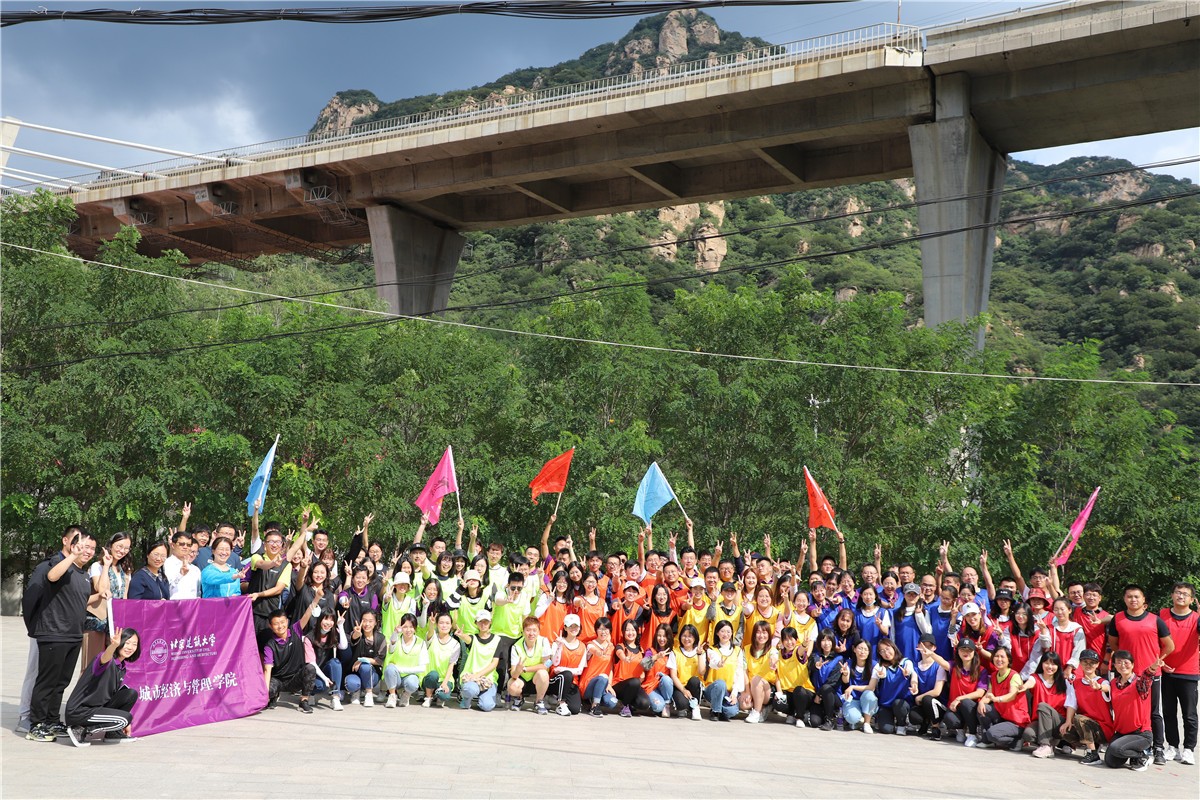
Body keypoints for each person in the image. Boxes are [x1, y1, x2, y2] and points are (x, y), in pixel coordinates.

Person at [25, 532, 97, 743]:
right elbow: (52, 576)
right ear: (73, 546)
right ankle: (36, 724)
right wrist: (72, 556)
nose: (88, 551)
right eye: (84, 546)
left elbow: (80, 600)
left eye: (92, 548)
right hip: (54, 633)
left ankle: (52, 720)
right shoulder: (61, 565)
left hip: (74, 635)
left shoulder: (83, 574)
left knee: (61, 682)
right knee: (47, 681)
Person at [1107, 583, 1175, 764]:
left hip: (1150, 674)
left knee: (1153, 712)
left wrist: (1157, 661)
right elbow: (1114, 644)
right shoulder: (1118, 619)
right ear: (1124, 599)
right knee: (1125, 711)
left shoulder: (1155, 620)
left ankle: (1158, 748)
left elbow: (1169, 645)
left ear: (1143, 599)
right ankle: (1132, 745)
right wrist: (1123, 663)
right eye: (1129, 596)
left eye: (1137, 596)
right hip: (1126, 674)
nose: (1133, 599)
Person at [64, 627, 140, 746]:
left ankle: (112, 733)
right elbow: (105, 657)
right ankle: (80, 729)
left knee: (130, 694)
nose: (130, 647)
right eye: (127, 642)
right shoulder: (106, 660)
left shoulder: (121, 666)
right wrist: (113, 646)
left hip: (97, 707)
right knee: (125, 719)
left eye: (134, 644)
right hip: (80, 711)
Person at [81, 532, 133, 676]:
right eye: (119, 546)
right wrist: (107, 566)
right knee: (91, 664)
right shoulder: (97, 566)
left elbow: (125, 597)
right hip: (96, 622)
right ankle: (85, 691)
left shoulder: (126, 570)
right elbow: (101, 589)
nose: (122, 551)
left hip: (115, 624)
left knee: (111, 664)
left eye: (126, 548)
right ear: (111, 545)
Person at [1160, 582, 1198, 765]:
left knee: (1189, 714)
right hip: (1166, 671)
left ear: (1192, 599)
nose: (1180, 596)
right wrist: (1159, 661)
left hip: (1188, 673)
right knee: (1168, 712)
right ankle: (1172, 746)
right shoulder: (1162, 615)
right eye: (1177, 592)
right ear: (1172, 595)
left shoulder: (1196, 618)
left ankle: (1189, 749)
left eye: (1185, 594)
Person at [1106, 649, 1157, 770]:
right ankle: (1133, 754)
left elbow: (1147, 677)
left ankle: (1143, 755)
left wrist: (1153, 668)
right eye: (1119, 662)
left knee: (1116, 748)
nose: (1123, 665)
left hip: (1140, 733)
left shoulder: (1139, 683)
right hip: (1122, 732)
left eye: (1126, 662)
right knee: (1111, 762)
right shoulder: (1113, 683)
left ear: (1133, 664)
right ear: (1114, 665)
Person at [1022, 651, 1076, 758]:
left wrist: (1068, 721)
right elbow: (1030, 682)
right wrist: (1024, 686)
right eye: (1046, 663)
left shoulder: (1064, 682)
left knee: (1042, 706)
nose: (1050, 667)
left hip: (1058, 722)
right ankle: (1052, 743)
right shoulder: (1035, 678)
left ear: (1058, 666)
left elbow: (1071, 703)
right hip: (1041, 721)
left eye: (1053, 664)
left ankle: (1045, 745)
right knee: (1028, 734)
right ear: (1041, 664)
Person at [262, 609, 317, 714]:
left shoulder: (295, 631)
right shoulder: (269, 646)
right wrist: (265, 694)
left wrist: (316, 601)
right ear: (270, 626)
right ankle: (273, 696)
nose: (280, 626)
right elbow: (267, 670)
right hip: (278, 680)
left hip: (295, 679)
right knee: (267, 690)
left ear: (287, 621)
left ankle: (304, 701)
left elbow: (307, 614)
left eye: (282, 622)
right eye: (276, 624)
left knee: (310, 668)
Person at [977, 645, 1030, 750]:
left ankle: (1017, 741)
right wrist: (981, 702)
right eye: (996, 656)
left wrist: (996, 699)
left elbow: (1012, 696)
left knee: (992, 734)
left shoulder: (1014, 676)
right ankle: (988, 741)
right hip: (1003, 716)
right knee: (983, 709)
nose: (999, 659)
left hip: (1017, 721)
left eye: (1002, 657)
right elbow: (989, 694)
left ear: (1008, 659)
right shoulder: (994, 675)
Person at [1066, 649, 1113, 765]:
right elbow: (1072, 704)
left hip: (1102, 728)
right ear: (1080, 663)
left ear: (1097, 664)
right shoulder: (1076, 683)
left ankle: (1093, 753)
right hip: (1085, 725)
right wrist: (1067, 721)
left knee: (1079, 719)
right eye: (1085, 662)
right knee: (1064, 731)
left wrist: (1099, 687)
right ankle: (1091, 744)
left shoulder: (1103, 682)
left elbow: (1107, 689)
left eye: (1092, 662)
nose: (1088, 665)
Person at [943, 638, 988, 747]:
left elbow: (980, 693)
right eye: (963, 649)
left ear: (974, 652)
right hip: (956, 708)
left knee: (966, 702)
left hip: (972, 708)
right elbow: (942, 662)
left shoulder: (981, 670)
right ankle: (960, 730)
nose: (966, 652)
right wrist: (931, 654)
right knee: (949, 719)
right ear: (957, 651)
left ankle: (973, 734)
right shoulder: (954, 666)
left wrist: (959, 698)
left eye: (969, 650)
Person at [458, 610, 504, 712]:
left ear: (490, 622)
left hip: (488, 679)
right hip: (471, 677)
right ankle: (466, 699)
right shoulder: (473, 638)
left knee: (487, 706)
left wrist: (478, 675)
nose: (483, 624)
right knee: (470, 689)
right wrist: (461, 635)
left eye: (486, 621)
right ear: (476, 623)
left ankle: (482, 697)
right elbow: (467, 639)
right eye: (480, 622)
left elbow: (494, 663)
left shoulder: (497, 640)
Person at [772, 625, 815, 728]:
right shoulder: (778, 654)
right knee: (777, 702)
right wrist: (779, 692)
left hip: (804, 692)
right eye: (786, 639)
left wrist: (804, 644)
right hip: (788, 692)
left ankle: (799, 717)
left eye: (791, 639)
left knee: (798, 691)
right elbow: (777, 675)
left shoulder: (797, 652)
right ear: (782, 641)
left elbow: (801, 650)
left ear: (796, 639)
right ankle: (791, 713)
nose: (789, 642)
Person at [872, 637, 916, 735]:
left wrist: (908, 673)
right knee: (887, 730)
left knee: (898, 704)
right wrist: (880, 675)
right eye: (882, 651)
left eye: (887, 649)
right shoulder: (880, 666)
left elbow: (912, 673)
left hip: (901, 703)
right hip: (886, 704)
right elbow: (880, 675)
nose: (886, 653)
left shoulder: (906, 662)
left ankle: (902, 724)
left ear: (893, 647)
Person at [508, 615, 552, 714]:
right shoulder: (516, 647)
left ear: (539, 631)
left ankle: (539, 701)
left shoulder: (544, 641)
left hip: (537, 680)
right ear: (523, 631)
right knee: (511, 686)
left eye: (534, 630)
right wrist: (518, 670)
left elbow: (546, 665)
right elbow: (513, 674)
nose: (531, 633)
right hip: (522, 680)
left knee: (543, 673)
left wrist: (525, 669)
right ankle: (519, 698)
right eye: (528, 630)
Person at [382, 613, 427, 708]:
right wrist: (395, 632)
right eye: (405, 627)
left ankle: (406, 695)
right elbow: (391, 647)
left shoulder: (421, 643)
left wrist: (401, 669)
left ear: (415, 628)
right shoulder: (396, 639)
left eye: (411, 627)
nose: (408, 630)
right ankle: (392, 696)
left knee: (412, 683)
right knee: (389, 669)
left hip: (410, 676)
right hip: (396, 677)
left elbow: (422, 668)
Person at [910, 633, 948, 738]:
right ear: (918, 646)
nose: (925, 648)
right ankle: (925, 722)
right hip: (922, 703)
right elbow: (914, 679)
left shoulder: (939, 666)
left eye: (929, 646)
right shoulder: (915, 666)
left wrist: (919, 697)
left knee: (927, 699)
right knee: (914, 716)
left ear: (934, 648)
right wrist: (914, 686)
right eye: (923, 645)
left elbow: (937, 691)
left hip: (937, 703)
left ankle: (936, 727)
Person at [705, 619, 744, 722]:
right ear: (717, 633)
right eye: (722, 631)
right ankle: (715, 711)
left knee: (731, 712)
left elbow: (739, 673)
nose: (725, 634)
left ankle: (718, 707)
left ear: (732, 633)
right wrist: (719, 664)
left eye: (728, 632)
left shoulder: (738, 651)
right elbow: (713, 662)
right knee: (721, 684)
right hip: (713, 689)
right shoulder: (711, 650)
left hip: (728, 692)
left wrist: (734, 693)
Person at [580, 617, 620, 716]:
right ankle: (594, 706)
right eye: (600, 629)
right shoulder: (590, 644)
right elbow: (592, 649)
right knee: (602, 677)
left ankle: (594, 699)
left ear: (610, 631)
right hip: (588, 684)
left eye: (606, 629)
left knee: (612, 703)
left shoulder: (611, 647)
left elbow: (610, 668)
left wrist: (609, 684)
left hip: (603, 682)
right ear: (596, 630)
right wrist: (598, 652)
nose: (603, 632)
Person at [549, 614, 586, 716]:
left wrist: (562, 669)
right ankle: (560, 703)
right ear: (565, 627)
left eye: (576, 626)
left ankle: (560, 699)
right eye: (570, 626)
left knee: (575, 709)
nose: (573, 629)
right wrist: (559, 646)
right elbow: (555, 663)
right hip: (556, 680)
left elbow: (579, 670)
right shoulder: (557, 643)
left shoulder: (582, 646)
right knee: (567, 675)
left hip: (572, 682)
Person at [669, 623, 707, 720]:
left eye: (690, 636)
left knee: (694, 680)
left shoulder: (700, 652)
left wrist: (699, 655)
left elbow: (702, 672)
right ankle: (686, 707)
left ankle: (695, 706)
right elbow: (673, 676)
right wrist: (683, 690)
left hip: (694, 686)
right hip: (680, 686)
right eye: (684, 636)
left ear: (695, 638)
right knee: (682, 704)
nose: (686, 639)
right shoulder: (675, 652)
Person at [840, 638, 878, 733]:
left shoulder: (874, 665)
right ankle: (858, 719)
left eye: (865, 649)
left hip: (866, 698)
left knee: (869, 694)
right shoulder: (849, 663)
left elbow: (871, 687)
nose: (862, 652)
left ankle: (867, 723)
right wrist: (845, 674)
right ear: (854, 649)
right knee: (852, 718)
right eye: (860, 648)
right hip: (853, 699)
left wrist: (852, 687)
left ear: (869, 652)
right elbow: (846, 681)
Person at [162, 531, 200, 600]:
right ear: (173, 545)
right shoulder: (166, 564)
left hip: (192, 605)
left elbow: (197, 593)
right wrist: (180, 575)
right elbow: (164, 589)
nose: (185, 547)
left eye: (188, 545)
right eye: (182, 544)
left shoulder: (195, 569)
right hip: (173, 605)